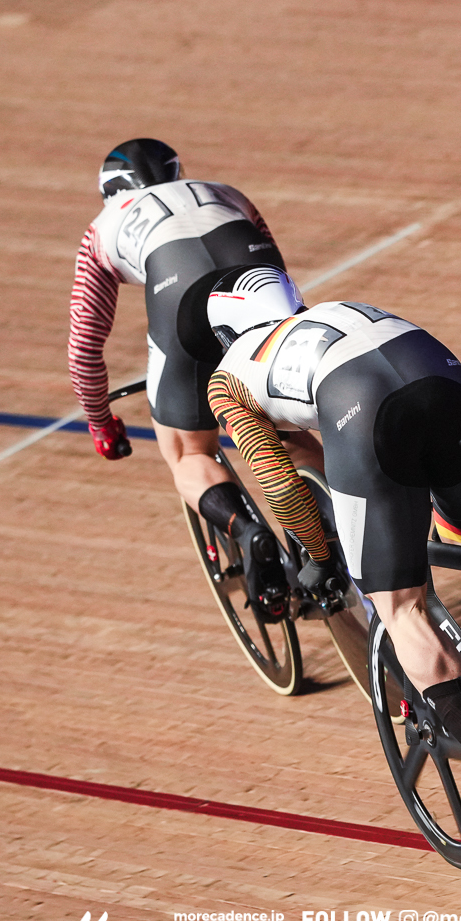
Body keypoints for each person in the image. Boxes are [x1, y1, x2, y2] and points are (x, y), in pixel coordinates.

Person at [203, 265, 461, 834]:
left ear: (226, 334)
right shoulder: (335, 311)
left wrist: (321, 556)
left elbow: (276, 478)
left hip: (362, 406)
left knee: (400, 607)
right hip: (441, 375)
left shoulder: (228, 377)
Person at [67, 138, 316, 615]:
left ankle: (247, 531)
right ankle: (334, 529)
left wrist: (101, 423)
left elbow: (84, 344)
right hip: (253, 270)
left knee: (188, 450)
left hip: (177, 289)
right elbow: (280, 275)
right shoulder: (226, 192)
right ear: (177, 171)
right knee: (286, 425)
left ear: (109, 192)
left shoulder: (100, 230)